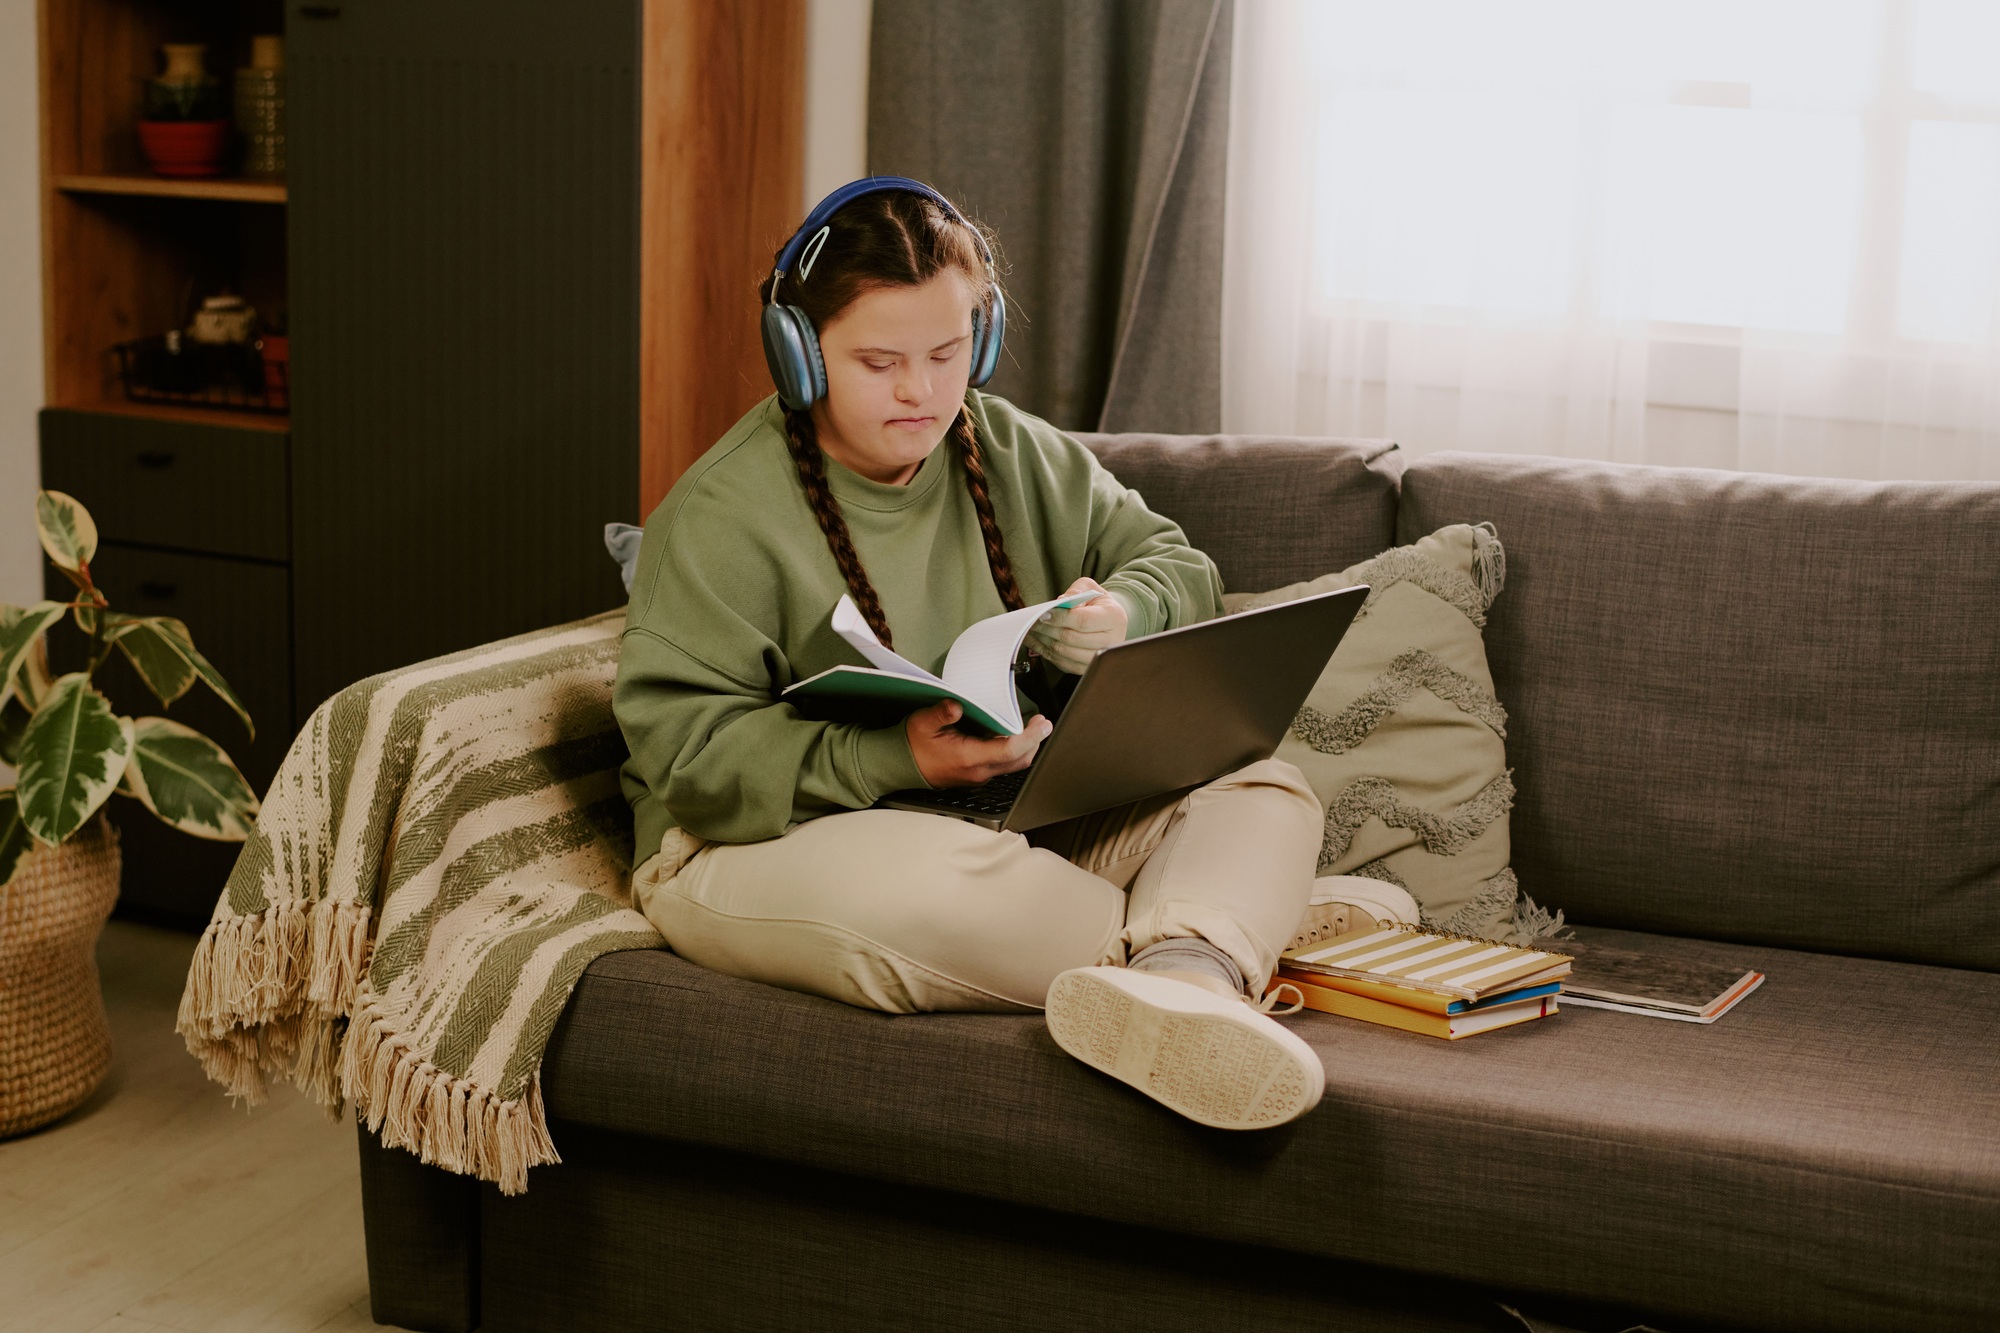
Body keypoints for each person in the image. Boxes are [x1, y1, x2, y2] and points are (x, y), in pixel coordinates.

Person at [615, 179, 1378, 1130]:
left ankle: (1189, 985)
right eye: (879, 361)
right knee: (929, 890)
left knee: (1263, 784)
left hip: (1000, 820)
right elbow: (687, 764)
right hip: (750, 845)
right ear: (799, 358)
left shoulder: (1008, 447)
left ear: (981, 336)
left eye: (945, 353)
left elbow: (1176, 564)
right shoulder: (721, 517)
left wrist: (1123, 611)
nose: (920, 390)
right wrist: (896, 756)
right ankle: (1211, 947)